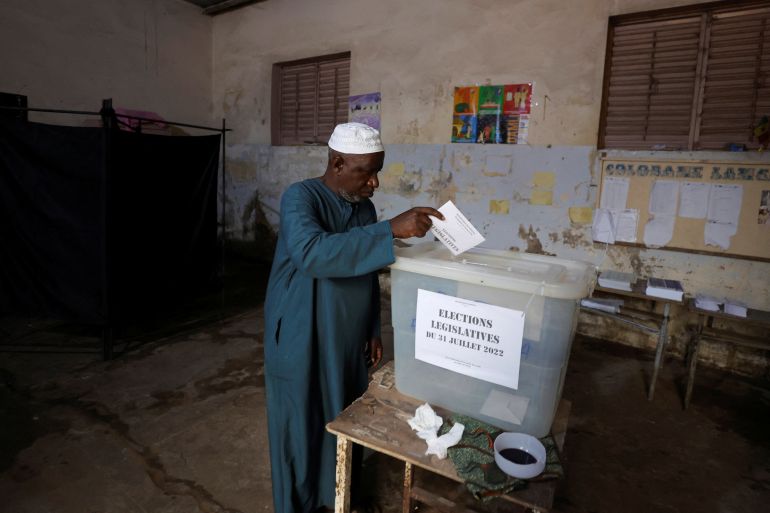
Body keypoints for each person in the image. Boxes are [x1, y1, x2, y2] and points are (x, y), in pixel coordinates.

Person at [263, 122, 443, 513]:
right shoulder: (300, 197)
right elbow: (311, 253)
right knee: (299, 420)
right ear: (337, 162)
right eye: (366, 171)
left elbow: (365, 269)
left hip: (344, 334)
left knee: (342, 413)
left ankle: (336, 495)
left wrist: (371, 326)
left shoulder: (365, 208)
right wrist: (390, 230)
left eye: (378, 170)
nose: (374, 182)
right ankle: (300, 504)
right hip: (300, 331)